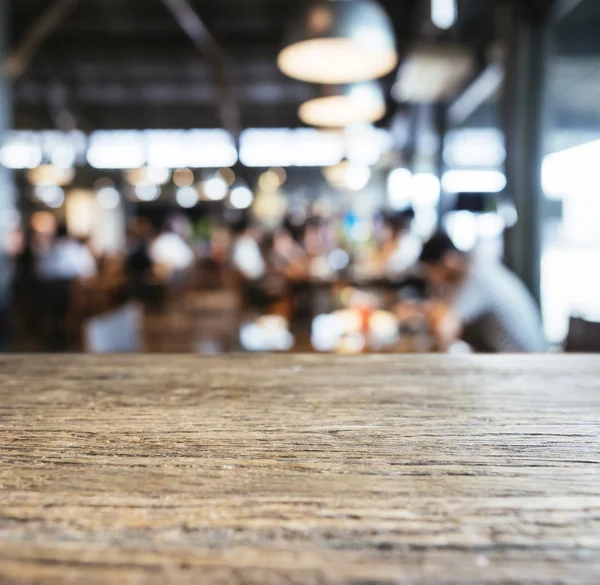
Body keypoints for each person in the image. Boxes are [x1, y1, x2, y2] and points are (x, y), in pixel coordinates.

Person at [419, 232, 547, 353]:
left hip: (524, 361)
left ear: (448, 260)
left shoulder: (477, 277)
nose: (431, 278)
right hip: (511, 358)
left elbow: (446, 329)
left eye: (430, 271)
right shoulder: (475, 271)